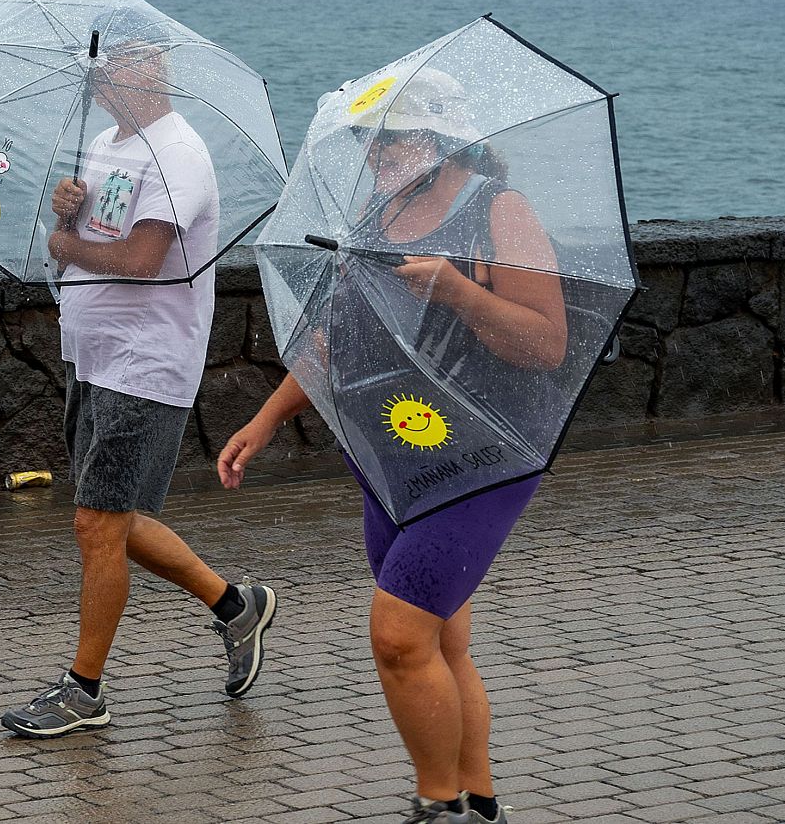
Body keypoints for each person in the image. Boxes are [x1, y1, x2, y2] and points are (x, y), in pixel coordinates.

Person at [217, 70, 567, 823]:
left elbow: (546, 344)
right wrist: (270, 417)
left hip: (480, 459)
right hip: (390, 458)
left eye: (392, 136)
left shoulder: (498, 210)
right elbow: (333, 341)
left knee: (399, 637)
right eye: (365, 138)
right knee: (443, 644)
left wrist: (459, 293)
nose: (375, 151)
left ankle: (438, 806)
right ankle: (480, 804)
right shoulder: (379, 211)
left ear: (441, 139)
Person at [0, 14, 278, 739]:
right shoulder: (103, 144)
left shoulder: (178, 154)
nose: (100, 80)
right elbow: (91, 240)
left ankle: (85, 690)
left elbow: (143, 259)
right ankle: (235, 608)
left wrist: (65, 239)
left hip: (146, 363)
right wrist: (70, 209)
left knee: (96, 522)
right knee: (114, 515)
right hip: (91, 354)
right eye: (100, 70)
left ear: (149, 76)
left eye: (115, 69)